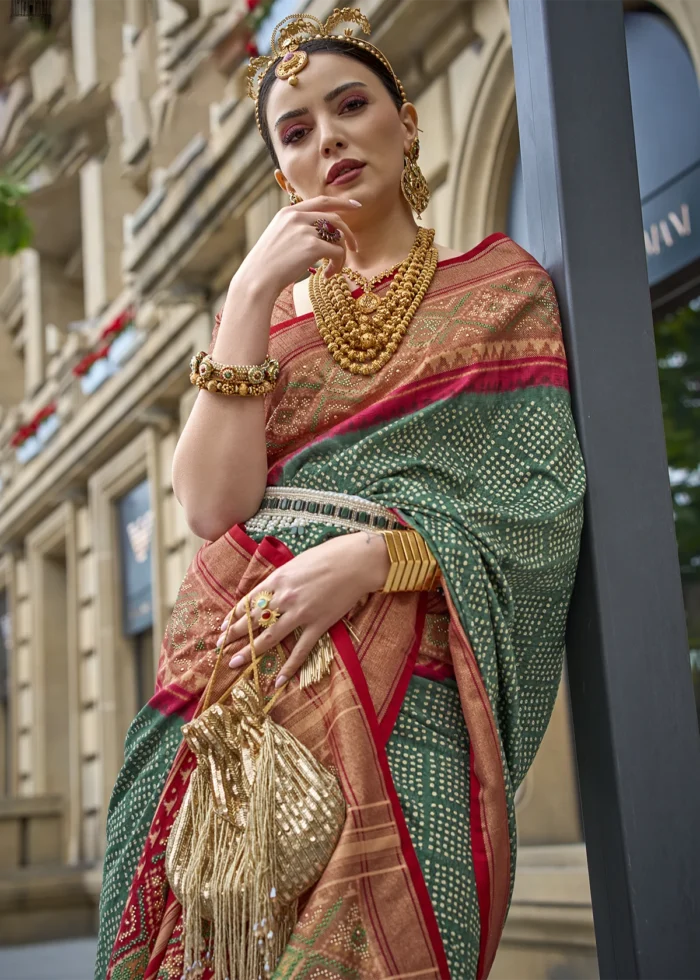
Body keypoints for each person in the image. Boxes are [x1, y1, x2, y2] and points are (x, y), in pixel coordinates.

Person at [94, 9, 585, 980]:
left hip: (416, 685)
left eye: (350, 106)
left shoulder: (500, 285)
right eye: (297, 130)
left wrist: (372, 558)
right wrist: (244, 297)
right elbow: (207, 505)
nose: (329, 139)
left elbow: (537, 501)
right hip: (239, 686)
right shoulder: (270, 317)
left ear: (405, 123)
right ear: (285, 173)